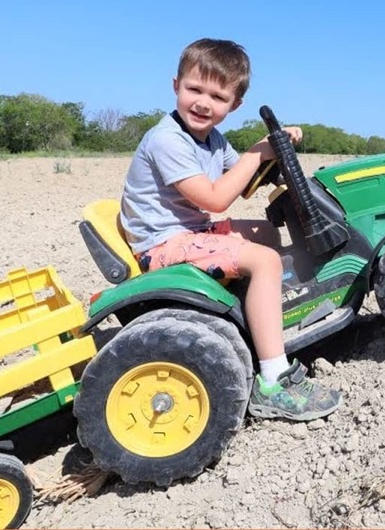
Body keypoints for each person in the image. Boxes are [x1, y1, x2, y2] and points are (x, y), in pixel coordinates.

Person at [119, 38, 342, 421]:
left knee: (265, 233)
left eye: (218, 97)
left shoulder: (213, 139)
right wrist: (257, 152)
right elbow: (216, 198)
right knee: (266, 261)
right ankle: (273, 381)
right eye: (194, 89)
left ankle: (260, 320)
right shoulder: (167, 140)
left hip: (190, 232)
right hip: (163, 244)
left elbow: (246, 178)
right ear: (176, 85)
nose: (203, 103)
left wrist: (277, 151)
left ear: (234, 105)